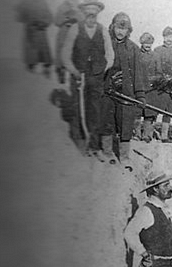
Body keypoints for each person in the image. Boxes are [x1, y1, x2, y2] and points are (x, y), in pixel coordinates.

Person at [61, 0, 113, 155]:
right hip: (79, 76)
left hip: (96, 77)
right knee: (78, 109)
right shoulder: (75, 29)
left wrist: (103, 69)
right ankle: (81, 144)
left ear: (97, 15)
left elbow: (110, 55)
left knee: (95, 110)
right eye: (88, 15)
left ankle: (95, 146)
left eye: (94, 16)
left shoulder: (103, 30)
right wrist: (74, 70)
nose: (91, 19)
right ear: (84, 14)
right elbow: (65, 54)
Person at [100, 12, 147, 167]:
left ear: (128, 31)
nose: (120, 32)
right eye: (118, 28)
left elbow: (138, 74)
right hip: (107, 92)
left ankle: (124, 157)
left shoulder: (133, 49)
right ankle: (107, 152)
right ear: (112, 27)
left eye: (124, 29)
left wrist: (140, 95)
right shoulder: (105, 44)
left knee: (125, 124)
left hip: (126, 94)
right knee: (107, 122)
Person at [153, 26, 172, 142]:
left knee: (168, 111)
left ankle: (164, 136)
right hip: (160, 85)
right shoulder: (157, 50)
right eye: (166, 36)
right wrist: (160, 79)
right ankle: (150, 133)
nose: (169, 39)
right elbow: (156, 67)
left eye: (171, 36)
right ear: (163, 37)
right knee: (154, 109)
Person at [15, 0, 53, 75]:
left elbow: (49, 16)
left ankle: (46, 67)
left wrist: (44, 23)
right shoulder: (25, 3)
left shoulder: (43, 3)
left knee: (43, 51)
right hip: (30, 31)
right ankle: (31, 68)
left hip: (41, 30)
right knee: (31, 51)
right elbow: (20, 18)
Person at [54, 0, 83, 84]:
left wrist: (75, 19)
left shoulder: (78, 8)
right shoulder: (62, 7)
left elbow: (82, 20)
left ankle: (74, 75)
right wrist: (65, 19)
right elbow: (57, 21)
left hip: (74, 33)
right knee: (61, 52)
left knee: (74, 53)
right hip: (64, 33)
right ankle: (61, 71)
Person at [138, 33, 159, 142]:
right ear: (142, 43)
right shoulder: (137, 54)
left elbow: (159, 72)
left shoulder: (155, 55)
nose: (148, 45)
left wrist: (154, 80)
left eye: (150, 44)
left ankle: (147, 135)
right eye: (146, 43)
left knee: (150, 113)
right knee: (137, 112)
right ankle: (136, 134)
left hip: (151, 88)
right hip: (139, 87)